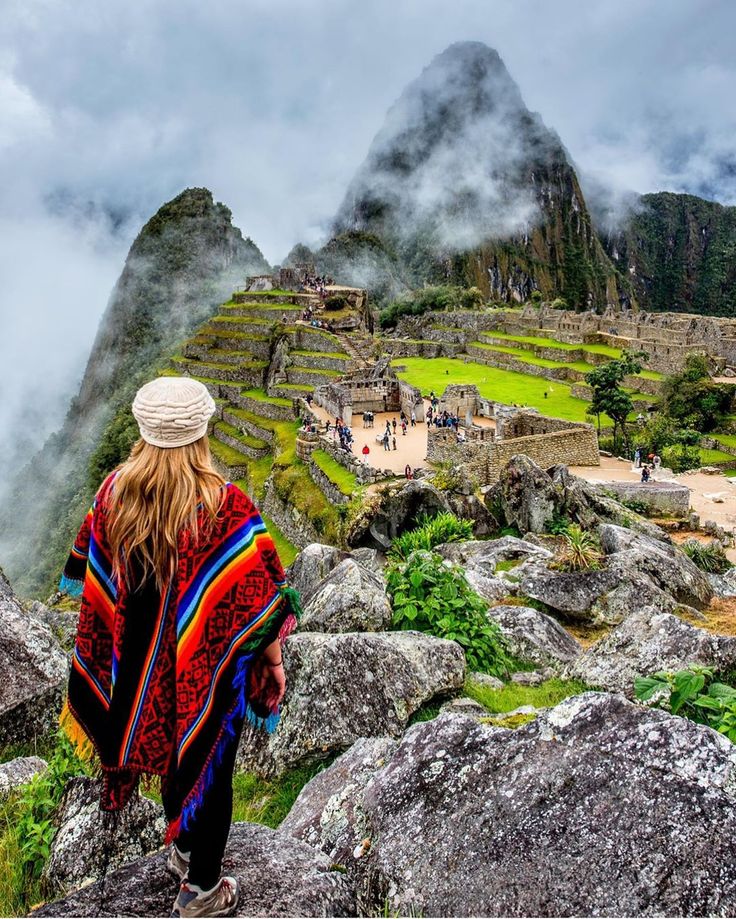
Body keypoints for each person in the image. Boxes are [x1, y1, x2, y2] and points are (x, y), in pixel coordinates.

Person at [59, 377, 300, 918]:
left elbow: (96, 589)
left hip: (140, 672)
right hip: (207, 667)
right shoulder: (226, 508)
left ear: (143, 430)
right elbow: (258, 599)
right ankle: (203, 889)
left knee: (173, 749)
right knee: (208, 756)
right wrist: (273, 662)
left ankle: (184, 848)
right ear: (203, 429)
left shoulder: (112, 496)